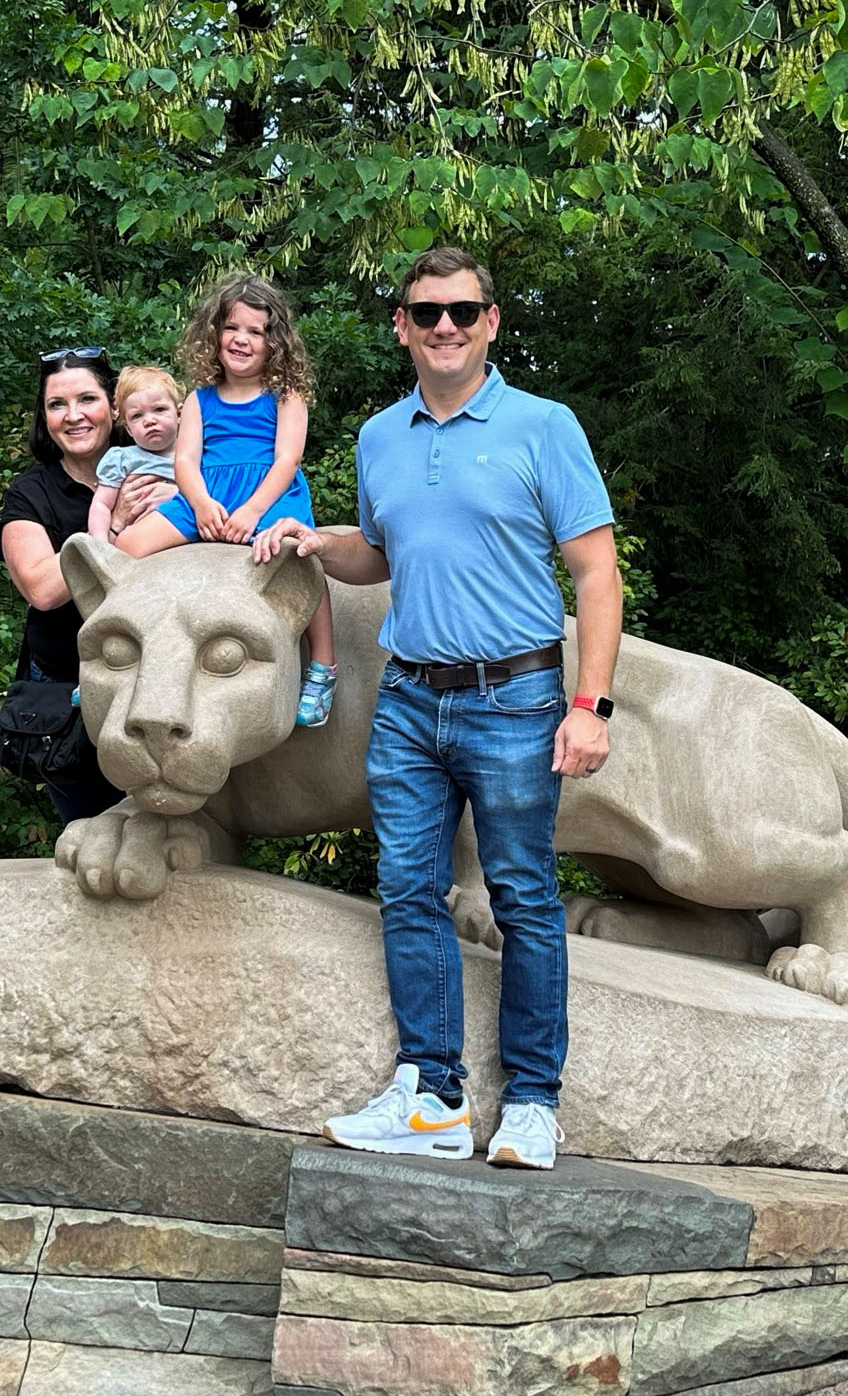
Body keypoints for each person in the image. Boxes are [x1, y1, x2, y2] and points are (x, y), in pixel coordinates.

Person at [252, 247, 622, 1169]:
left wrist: (592, 707)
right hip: (411, 697)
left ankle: (533, 1103)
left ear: (493, 321)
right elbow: (380, 554)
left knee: (524, 899)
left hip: (518, 698)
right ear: (402, 328)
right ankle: (433, 1097)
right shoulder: (380, 436)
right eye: (427, 313)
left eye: (463, 311)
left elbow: (597, 572)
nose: (445, 327)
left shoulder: (544, 426)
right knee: (408, 892)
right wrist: (313, 540)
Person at [117, 274, 341, 727]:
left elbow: (288, 459)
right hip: (208, 494)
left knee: (301, 558)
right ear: (214, 334)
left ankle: (323, 665)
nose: (241, 339)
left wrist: (254, 511)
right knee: (125, 550)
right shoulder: (200, 399)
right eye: (232, 327)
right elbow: (184, 462)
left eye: (255, 331)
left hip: (267, 494)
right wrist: (199, 504)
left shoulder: (285, 395)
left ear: (273, 342)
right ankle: (119, 653)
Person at [0, 348, 172, 822]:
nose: (73, 416)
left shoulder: (172, 469)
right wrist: (113, 526)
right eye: (56, 404)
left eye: (87, 399)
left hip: (162, 685)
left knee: (176, 832)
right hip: (69, 695)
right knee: (95, 834)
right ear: (44, 416)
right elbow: (41, 589)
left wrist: (183, 503)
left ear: (113, 408)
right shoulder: (31, 493)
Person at [88, 366, 183, 544]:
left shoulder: (198, 454)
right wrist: (99, 544)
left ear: (178, 413)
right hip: (139, 542)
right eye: (137, 416)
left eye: (159, 409)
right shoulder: (122, 459)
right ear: (128, 429)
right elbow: (101, 505)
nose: (149, 420)